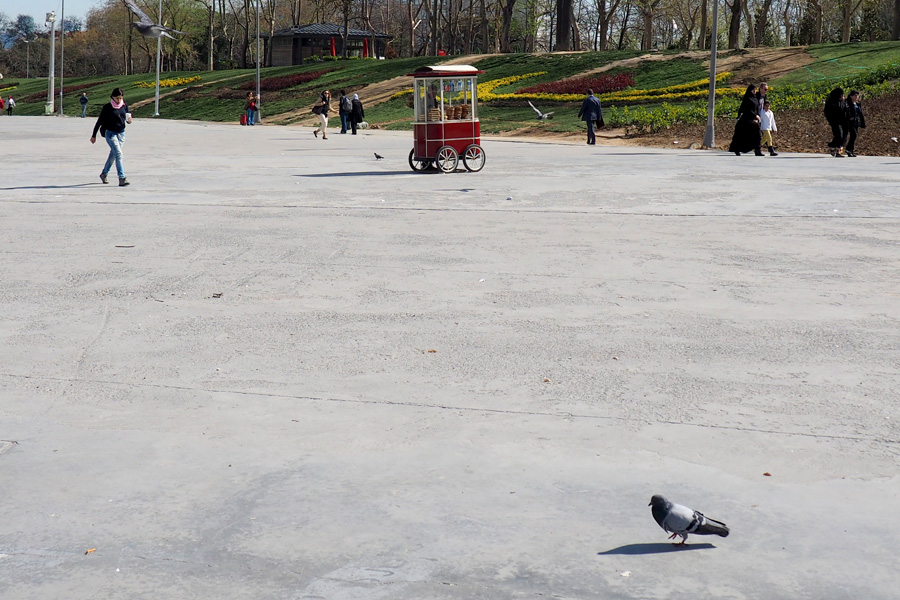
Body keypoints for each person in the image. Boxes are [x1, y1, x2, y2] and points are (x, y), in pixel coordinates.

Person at [90, 87, 132, 187]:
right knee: (119, 154)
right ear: (112, 97)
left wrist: (129, 120)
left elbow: (127, 118)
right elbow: (99, 122)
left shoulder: (124, 106)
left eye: (121, 98)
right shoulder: (107, 108)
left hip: (121, 134)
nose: (119, 100)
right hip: (110, 134)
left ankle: (104, 174)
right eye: (117, 98)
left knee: (113, 155)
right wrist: (93, 135)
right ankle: (122, 178)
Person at [728, 84, 763, 156]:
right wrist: (754, 115)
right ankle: (737, 149)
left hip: (754, 120)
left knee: (758, 135)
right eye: (753, 89)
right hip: (746, 120)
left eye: (755, 89)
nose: (755, 91)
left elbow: (757, 108)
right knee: (742, 136)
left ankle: (757, 150)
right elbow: (746, 109)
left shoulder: (755, 98)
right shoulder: (747, 98)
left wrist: (758, 115)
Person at [824, 87, 848, 157]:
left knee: (844, 135)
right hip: (835, 121)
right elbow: (832, 111)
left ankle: (837, 150)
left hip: (843, 120)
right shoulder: (831, 101)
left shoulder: (842, 101)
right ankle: (832, 146)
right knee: (839, 134)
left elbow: (845, 109)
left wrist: (843, 101)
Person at [845, 90, 866, 157]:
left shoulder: (857, 104)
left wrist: (862, 123)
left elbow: (860, 114)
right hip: (850, 122)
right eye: (855, 96)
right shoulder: (847, 104)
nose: (856, 97)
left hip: (856, 122)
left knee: (854, 136)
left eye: (857, 96)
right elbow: (846, 113)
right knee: (853, 135)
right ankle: (848, 149)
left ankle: (851, 150)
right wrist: (849, 118)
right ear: (851, 96)